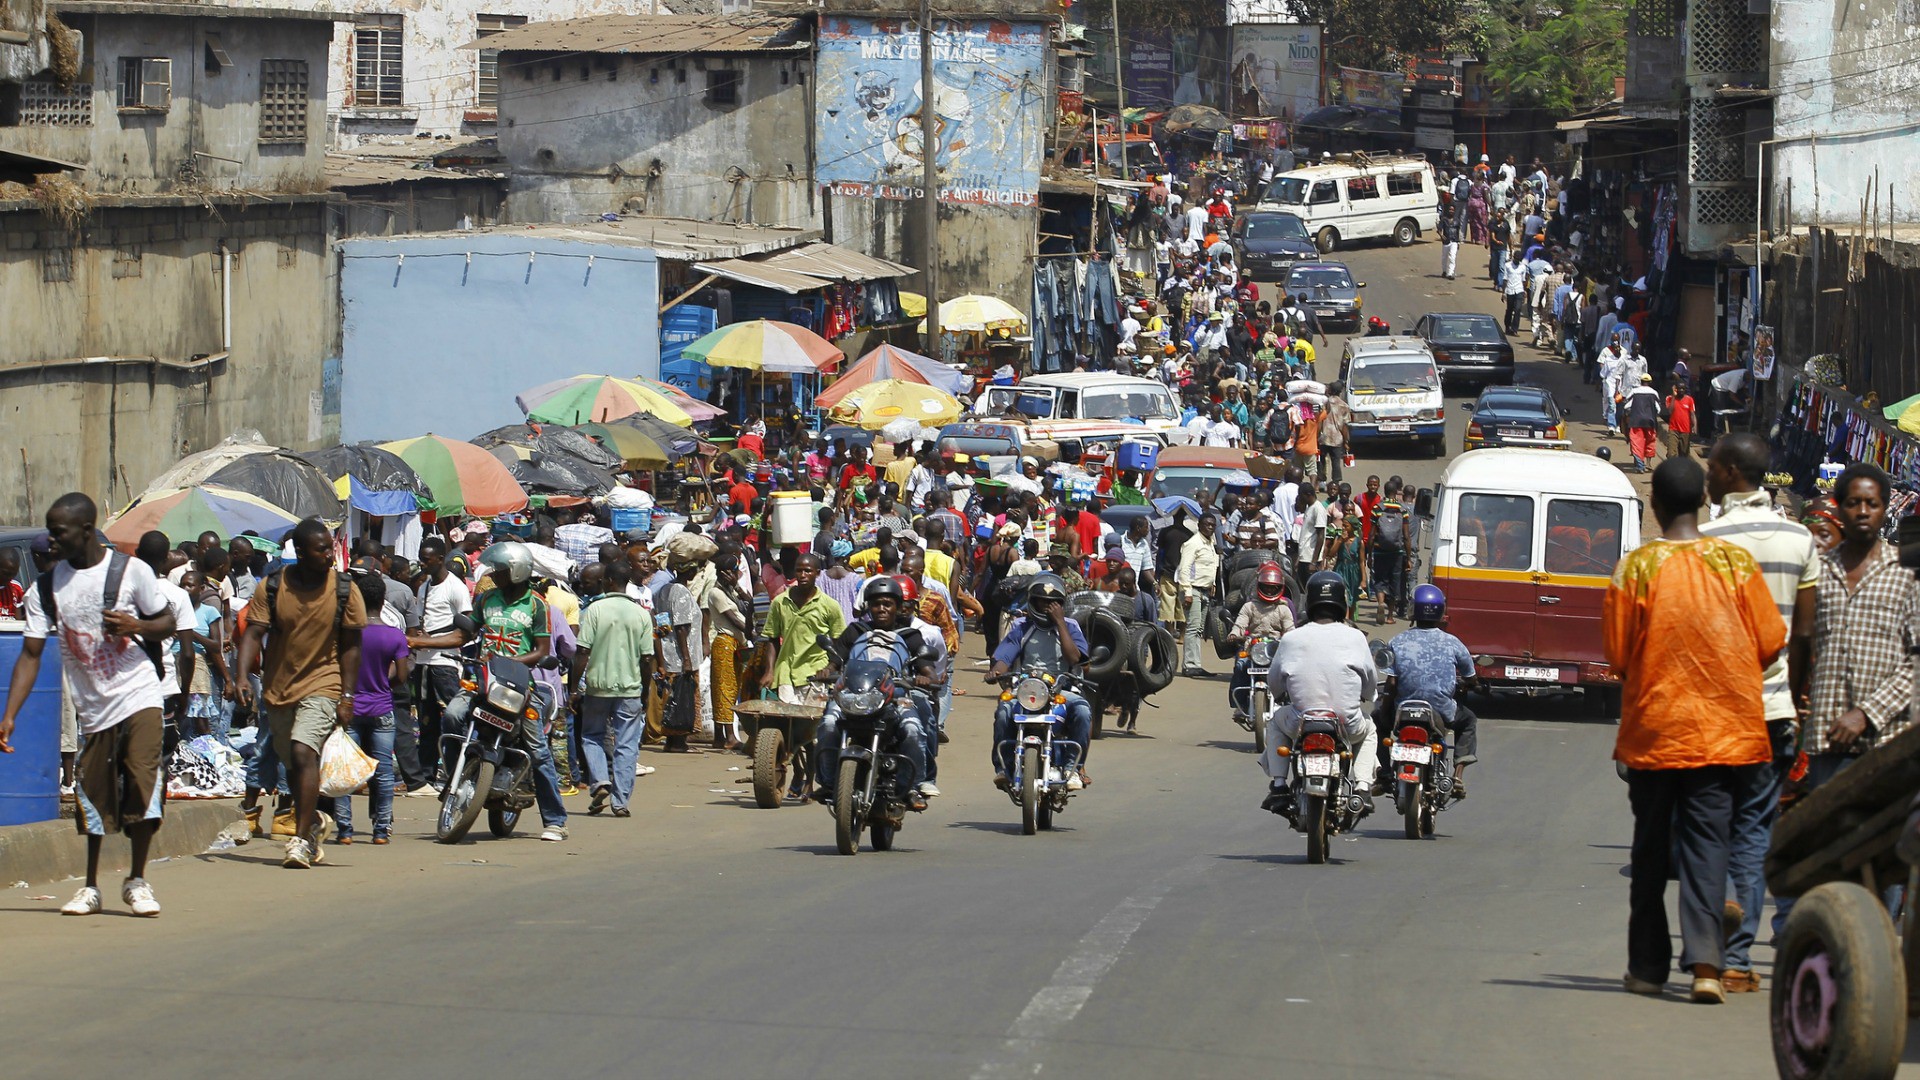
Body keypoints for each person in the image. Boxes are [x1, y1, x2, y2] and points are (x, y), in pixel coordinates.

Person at [1604, 457, 1785, 1004]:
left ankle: (1648, 968)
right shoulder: (1735, 563)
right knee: (1710, 849)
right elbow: (1771, 640)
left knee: (1651, 853)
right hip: (1724, 735)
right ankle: (1707, 967)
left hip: (1655, 734)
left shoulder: (1635, 568)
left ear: (1655, 506)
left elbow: (1616, 655)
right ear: (1704, 501)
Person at [2, 493, 177, 916]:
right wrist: (9, 715)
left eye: (58, 532)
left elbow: (167, 621)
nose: (51, 540)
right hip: (93, 707)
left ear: (84, 531)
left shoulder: (130, 572)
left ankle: (137, 880)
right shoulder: (46, 587)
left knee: (141, 779)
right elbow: (30, 655)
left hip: (139, 694)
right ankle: (92, 886)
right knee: (94, 797)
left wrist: (136, 624)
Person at [1699, 434, 1820, 992]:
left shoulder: (1705, 541)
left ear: (1727, 473)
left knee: (1710, 827)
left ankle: (1715, 929)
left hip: (1718, 710)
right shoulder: (1801, 541)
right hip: (1774, 711)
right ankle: (1739, 961)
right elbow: (1806, 635)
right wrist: (1792, 699)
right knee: (1753, 830)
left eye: (1711, 468)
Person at [233, 518, 367, 868]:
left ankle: (298, 840)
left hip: (324, 683)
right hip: (279, 688)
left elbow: (352, 646)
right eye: (322, 549)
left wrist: (348, 696)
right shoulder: (273, 587)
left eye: (331, 548)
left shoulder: (345, 589)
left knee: (303, 750)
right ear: (302, 552)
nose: (329, 556)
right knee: (292, 764)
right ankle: (310, 826)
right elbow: (253, 633)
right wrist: (242, 676)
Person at [1256, 571, 1378, 815]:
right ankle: (1363, 788)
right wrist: (1366, 695)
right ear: (1342, 603)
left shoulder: (1291, 638)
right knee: (1370, 729)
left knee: (1276, 723)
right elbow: (1370, 682)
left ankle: (1279, 785)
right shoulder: (1355, 637)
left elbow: (1274, 682)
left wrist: (1282, 693)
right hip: (1346, 723)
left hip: (1302, 721)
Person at [813, 576, 934, 810]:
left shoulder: (910, 635)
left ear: (898, 607)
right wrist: (826, 671)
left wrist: (926, 677)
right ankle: (828, 783)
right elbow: (835, 662)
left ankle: (911, 787)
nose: (881, 609)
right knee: (828, 723)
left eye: (887, 604)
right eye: (876, 604)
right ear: (868, 606)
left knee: (912, 730)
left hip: (896, 697)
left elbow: (927, 668)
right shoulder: (855, 630)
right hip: (851, 695)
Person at [986, 579, 1092, 789]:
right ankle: (1004, 768)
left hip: (1063, 688)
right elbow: (1005, 657)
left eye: (1052, 603)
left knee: (1082, 711)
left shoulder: (1071, 626)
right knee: (1003, 711)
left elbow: (1075, 659)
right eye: (1042, 602)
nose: (1047, 607)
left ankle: (1074, 768)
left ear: (1061, 605)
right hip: (1026, 688)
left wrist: (1060, 622)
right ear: (1032, 602)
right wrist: (995, 671)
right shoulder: (1021, 627)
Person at [569, 562, 654, 818]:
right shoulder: (641, 614)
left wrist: (573, 688)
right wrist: (645, 690)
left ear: (606, 582)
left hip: (598, 687)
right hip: (630, 688)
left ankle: (600, 781)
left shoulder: (594, 610)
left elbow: (582, 651)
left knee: (592, 736)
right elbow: (647, 658)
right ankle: (620, 802)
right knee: (627, 744)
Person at [1380, 585, 1478, 797]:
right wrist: (1471, 684)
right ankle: (1457, 776)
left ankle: (1385, 774)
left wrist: (1384, 710)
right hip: (1441, 711)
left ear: (1413, 610)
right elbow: (1471, 677)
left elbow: (1391, 684)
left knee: (1377, 721)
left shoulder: (1397, 641)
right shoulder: (1452, 642)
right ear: (1441, 612)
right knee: (1468, 720)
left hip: (1403, 710)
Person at [333, 571, 408, 845]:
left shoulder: (348, 635)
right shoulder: (395, 636)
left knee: (345, 770)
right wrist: (382, 681)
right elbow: (401, 676)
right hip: (381, 708)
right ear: (383, 600)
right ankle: (380, 830)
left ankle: (344, 830)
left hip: (350, 708)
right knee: (384, 771)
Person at [407, 535, 473, 792]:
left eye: (427, 560)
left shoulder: (455, 587)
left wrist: (429, 643)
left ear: (439, 559)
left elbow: (465, 631)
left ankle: (459, 772)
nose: (422, 564)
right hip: (424, 664)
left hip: (445, 664)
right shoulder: (424, 586)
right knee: (427, 722)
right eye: (421, 559)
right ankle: (427, 776)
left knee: (453, 720)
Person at [760, 552, 846, 709]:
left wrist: (830, 668)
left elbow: (839, 642)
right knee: (788, 723)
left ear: (818, 573)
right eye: (799, 571)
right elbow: (772, 638)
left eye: (808, 571)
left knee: (812, 724)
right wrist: (770, 670)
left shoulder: (829, 605)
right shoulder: (780, 602)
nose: (803, 575)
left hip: (816, 673)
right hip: (786, 672)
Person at [1227, 563, 1296, 726]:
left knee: (1291, 672)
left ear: (1280, 588)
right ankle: (1240, 705)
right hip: (1253, 648)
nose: (1270, 591)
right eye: (1267, 587)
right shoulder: (1249, 606)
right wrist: (1234, 634)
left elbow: (1290, 628)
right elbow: (1240, 624)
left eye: (1274, 588)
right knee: (1241, 665)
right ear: (1259, 586)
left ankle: (1292, 704)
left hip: (1276, 650)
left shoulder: (1283, 609)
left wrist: (1291, 637)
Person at [1177, 513, 1222, 677]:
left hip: (1205, 590)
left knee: (1199, 629)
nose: (1210, 527)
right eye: (1207, 524)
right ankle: (1189, 665)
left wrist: (1213, 585)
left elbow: (1212, 566)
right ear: (1199, 525)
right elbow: (1184, 569)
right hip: (1193, 590)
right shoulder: (1193, 543)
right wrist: (1187, 593)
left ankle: (1195, 663)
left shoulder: (1211, 543)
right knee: (1193, 627)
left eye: (1212, 525)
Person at [1367, 482, 1411, 623]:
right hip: (1397, 552)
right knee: (1394, 581)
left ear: (1384, 491)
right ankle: (1390, 616)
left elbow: (1372, 534)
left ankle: (1380, 603)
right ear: (1397, 491)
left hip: (1380, 551)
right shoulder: (1402, 510)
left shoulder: (1378, 508)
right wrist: (1408, 557)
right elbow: (1406, 536)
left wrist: (1369, 554)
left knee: (1380, 579)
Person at [1622, 374, 1664, 473]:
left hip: (1636, 421)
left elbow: (1626, 406)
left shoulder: (1634, 391)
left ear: (1640, 382)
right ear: (1650, 382)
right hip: (1650, 422)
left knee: (1637, 443)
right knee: (1650, 442)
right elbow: (1658, 409)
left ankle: (1640, 466)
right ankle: (1648, 463)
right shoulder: (1654, 393)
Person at [1665, 381, 1697, 461]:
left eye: (1683, 389)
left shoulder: (1689, 400)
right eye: (1680, 388)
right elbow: (1670, 411)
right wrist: (1673, 396)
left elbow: (1692, 414)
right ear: (1676, 389)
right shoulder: (1669, 398)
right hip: (1673, 429)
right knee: (1671, 453)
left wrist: (1694, 426)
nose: (1681, 390)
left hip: (1686, 430)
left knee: (1684, 453)